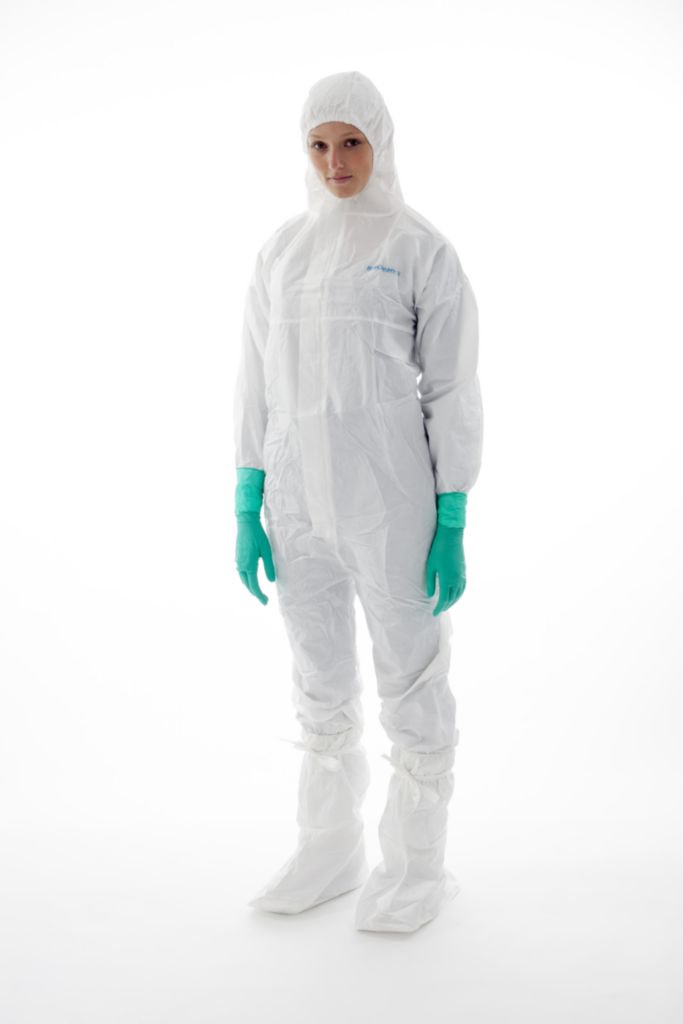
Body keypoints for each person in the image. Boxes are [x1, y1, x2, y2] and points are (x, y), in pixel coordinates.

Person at [233, 70, 483, 933]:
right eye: (318, 144)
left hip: (391, 500)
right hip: (294, 499)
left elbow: (451, 387)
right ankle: (328, 848)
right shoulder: (281, 252)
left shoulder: (418, 247)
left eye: (350, 142)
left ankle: (414, 866)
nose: (334, 161)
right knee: (319, 677)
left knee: (410, 676)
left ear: (380, 142)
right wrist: (247, 497)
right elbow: (254, 379)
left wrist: (451, 512)